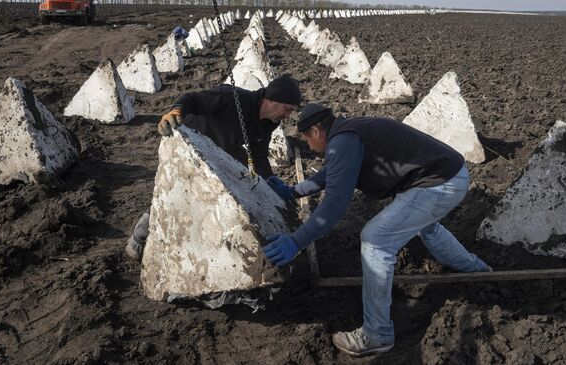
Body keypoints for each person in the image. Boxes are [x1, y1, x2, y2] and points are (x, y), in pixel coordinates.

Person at [264, 103, 491, 357]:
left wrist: (296, 242)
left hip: (439, 184)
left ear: (317, 131)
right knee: (426, 226)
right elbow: (331, 173)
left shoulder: (343, 142)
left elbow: (335, 204)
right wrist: (294, 192)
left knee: (375, 239)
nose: (307, 144)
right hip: (446, 175)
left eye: (306, 137)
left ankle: (377, 334)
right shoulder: (347, 134)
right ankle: (475, 269)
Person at [125, 75, 301, 261]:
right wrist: (177, 110)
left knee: (228, 191)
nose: (288, 115)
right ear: (273, 99)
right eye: (288, 109)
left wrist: (269, 180)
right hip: (194, 142)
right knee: (178, 192)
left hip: (222, 151)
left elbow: (258, 155)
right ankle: (140, 236)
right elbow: (193, 99)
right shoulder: (232, 98)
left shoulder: (270, 123)